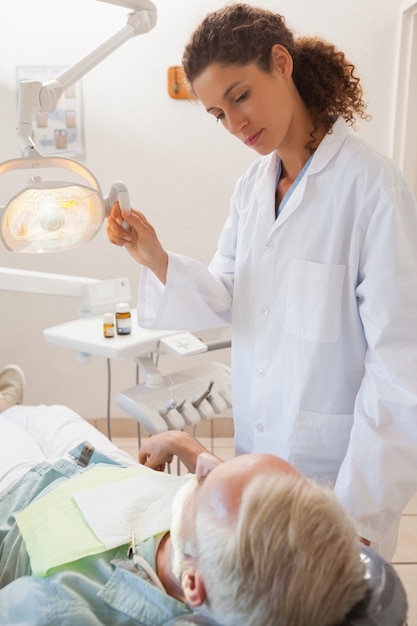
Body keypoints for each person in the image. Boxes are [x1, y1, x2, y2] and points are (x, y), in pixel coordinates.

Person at [106, 3, 417, 560]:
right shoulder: (253, 187)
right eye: (218, 114)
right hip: (259, 453)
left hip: (339, 475)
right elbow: (230, 294)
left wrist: (361, 514)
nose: (235, 123)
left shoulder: (372, 189)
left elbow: (401, 366)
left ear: (281, 62)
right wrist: (155, 258)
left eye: (240, 95)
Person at [0, 364, 369, 626]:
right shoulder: (227, 556)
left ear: (193, 582)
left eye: (205, 484)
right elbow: (241, 498)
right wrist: (183, 444)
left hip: (29, 497)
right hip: (106, 469)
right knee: (50, 413)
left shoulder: (56, 611)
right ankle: (9, 406)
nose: (205, 468)